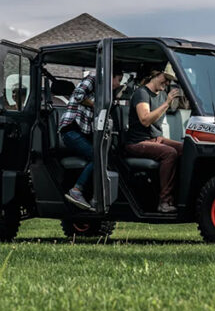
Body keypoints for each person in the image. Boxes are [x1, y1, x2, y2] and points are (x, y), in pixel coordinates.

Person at [59, 70, 122, 210]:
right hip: (71, 130)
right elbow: (78, 95)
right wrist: (96, 106)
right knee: (98, 157)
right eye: (119, 79)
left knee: (104, 156)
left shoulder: (103, 91)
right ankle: (76, 190)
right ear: (110, 76)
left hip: (80, 132)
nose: (119, 84)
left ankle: (95, 198)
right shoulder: (94, 78)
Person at [125, 63, 184, 213]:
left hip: (156, 138)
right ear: (155, 75)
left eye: (170, 81)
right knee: (170, 153)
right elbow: (145, 120)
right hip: (138, 142)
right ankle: (164, 201)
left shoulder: (163, 94)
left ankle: (182, 197)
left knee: (186, 148)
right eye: (165, 79)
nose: (167, 83)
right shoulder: (142, 93)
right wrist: (167, 103)